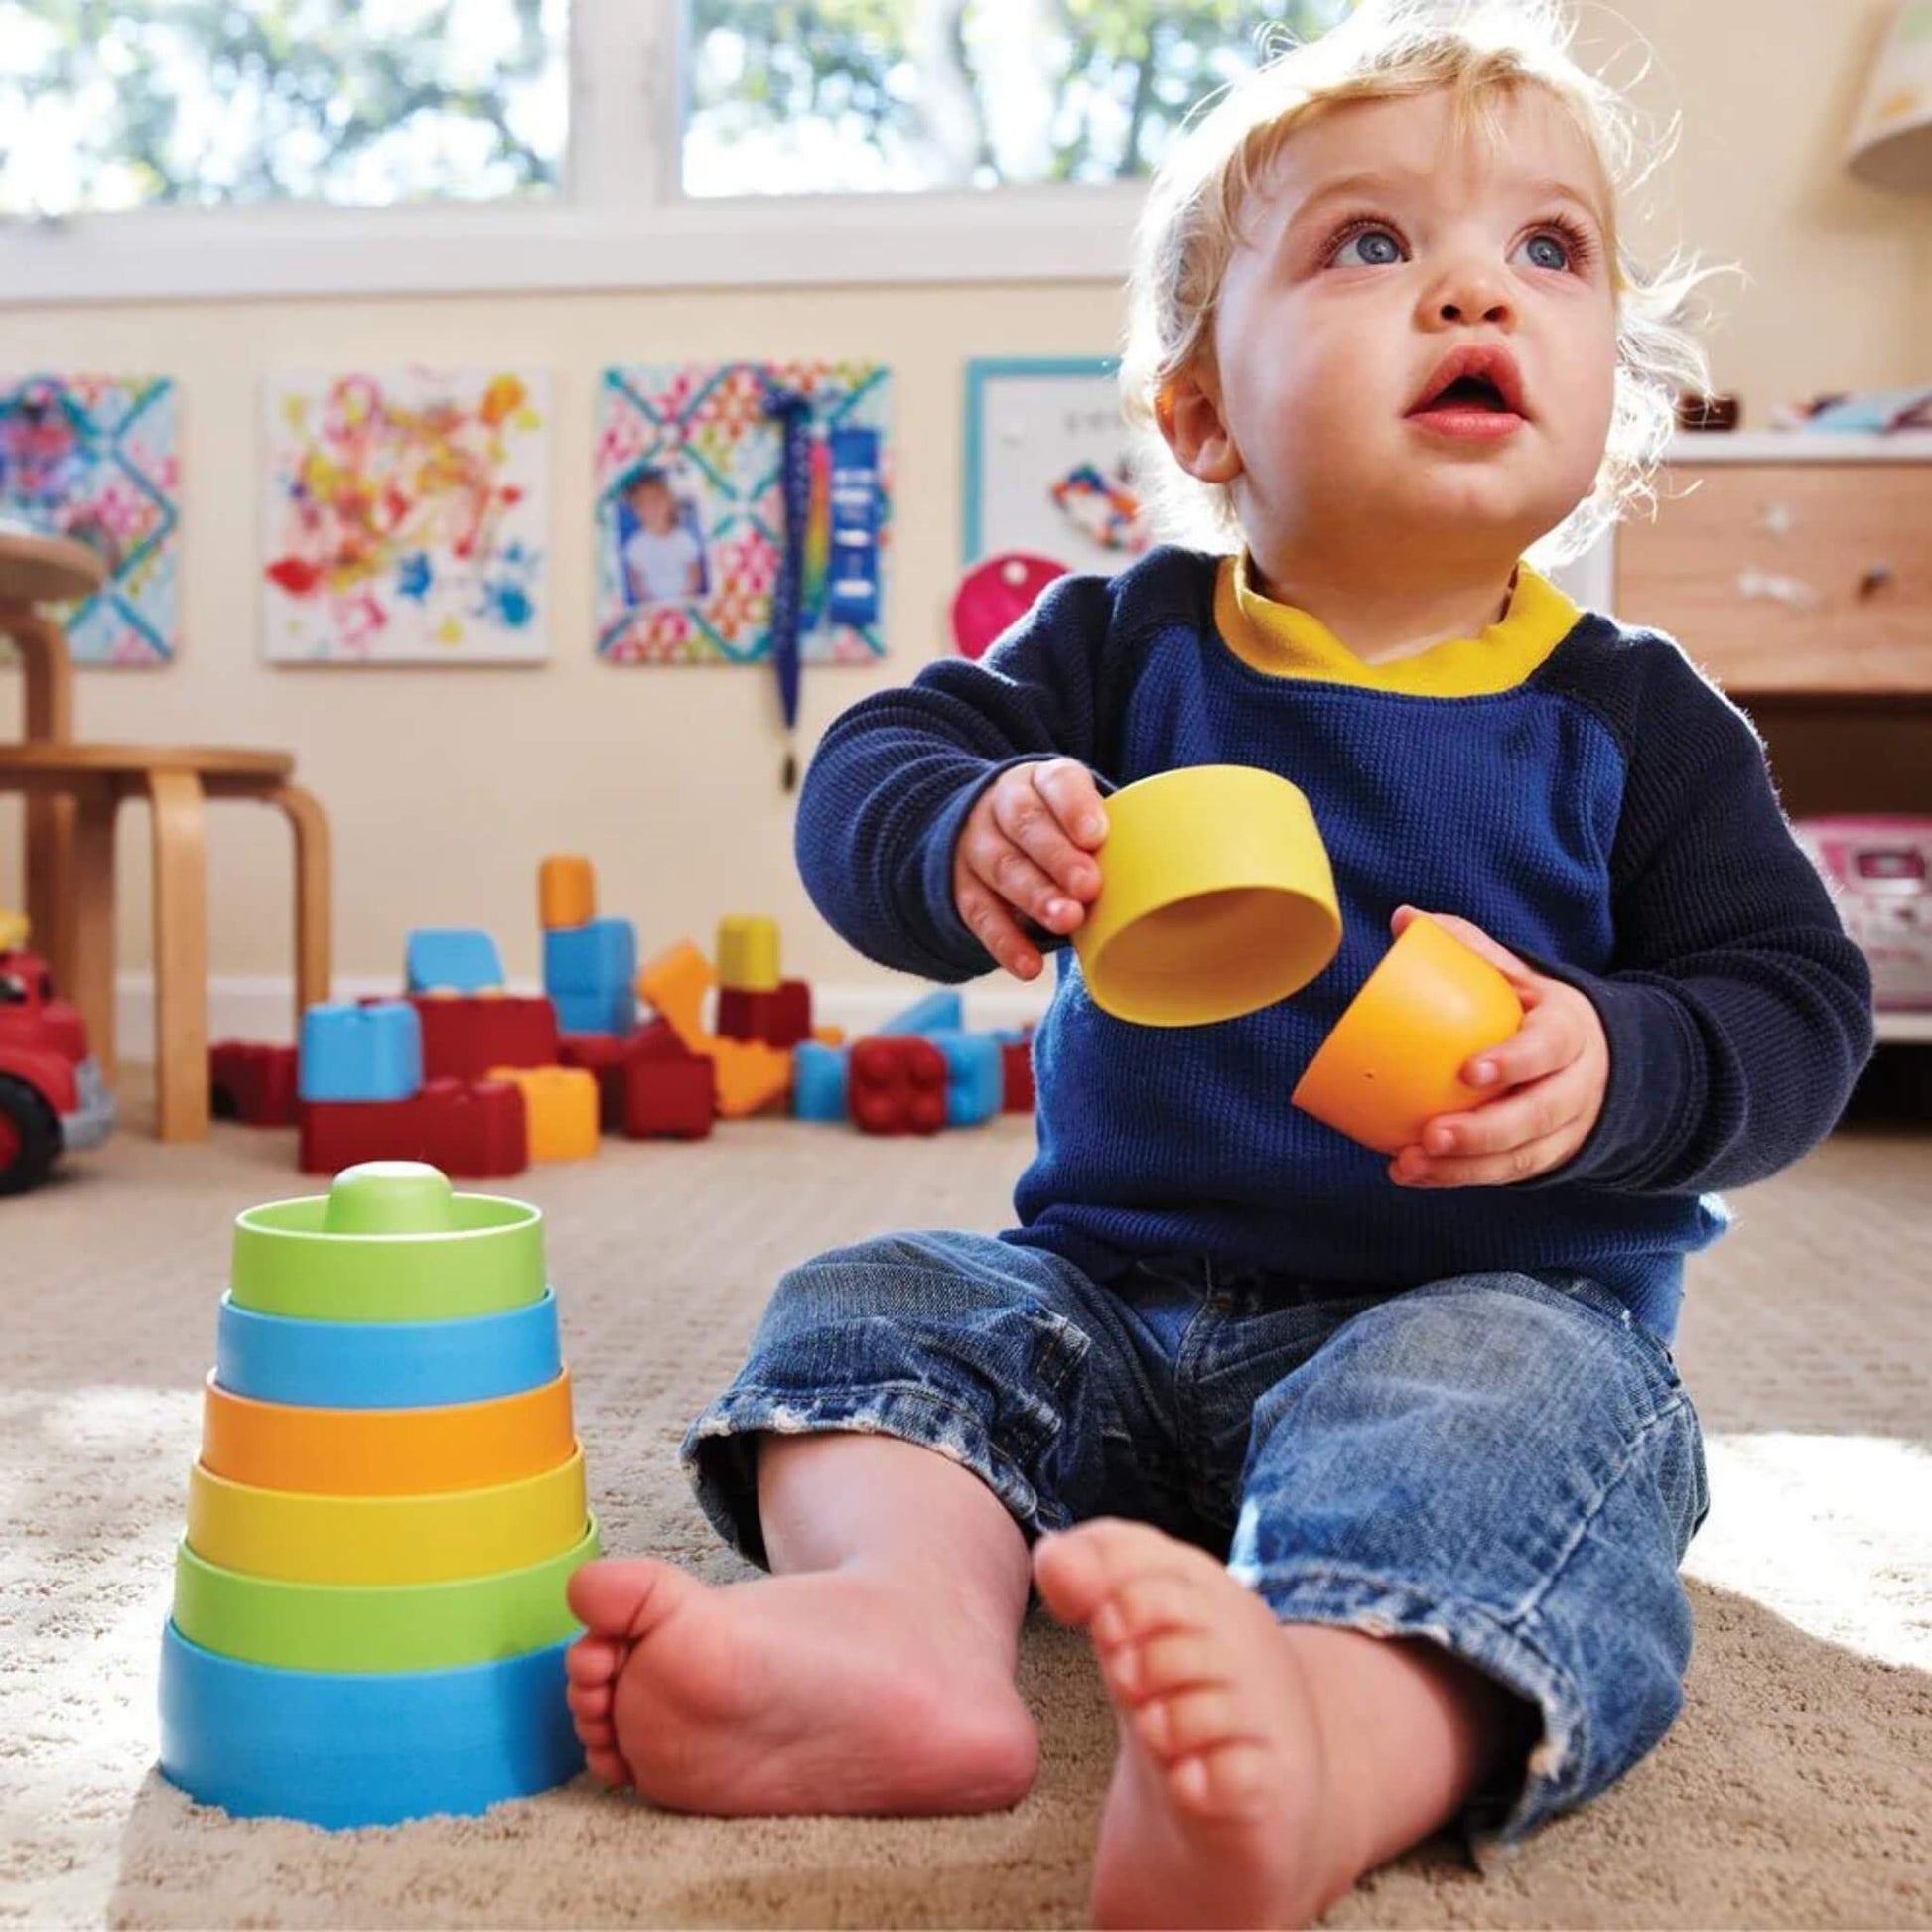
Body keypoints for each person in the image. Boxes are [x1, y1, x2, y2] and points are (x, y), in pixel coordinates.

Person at [563, 2, 1874, 1923]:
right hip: (1108, 1310)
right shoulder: (1125, 646)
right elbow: (875, 767)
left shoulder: (1637, 720)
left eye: (1547, 249)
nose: (1469, 293)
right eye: (1371, 242)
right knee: (878, 1297)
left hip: (1478, 1309)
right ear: (1199, 413)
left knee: (1525, 1418)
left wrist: (1618, 1054)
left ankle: (1335, 1729)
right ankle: (902, 1629)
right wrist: (968, 825)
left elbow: (1799, 1003)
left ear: (1612, 390)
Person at [621, 467, 703, 603]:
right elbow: (635, 578)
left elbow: (694, 572)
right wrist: (646, 601)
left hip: (683, 602)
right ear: (636, 512)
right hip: (653, 605)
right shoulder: (635, 545)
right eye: (642, 504)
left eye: (655, 501)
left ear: (669, 504)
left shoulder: (684, 539)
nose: (650, 508)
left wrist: (687, 597)